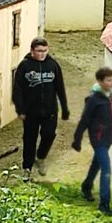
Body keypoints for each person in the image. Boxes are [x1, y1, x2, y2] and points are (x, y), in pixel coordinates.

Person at [72, 67, 112, 215]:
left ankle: (86, 186)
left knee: (97, 163)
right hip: (97, 138)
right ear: (100, 81)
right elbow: (84, 120)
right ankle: (104, 204)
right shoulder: (93, 99)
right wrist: (77, 139)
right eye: (108, 80)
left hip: (109, 137)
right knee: (106, 169)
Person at [12, 38, 69, 180]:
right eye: (39, 51)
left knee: (49, 134)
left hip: (50, 110)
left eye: (45, 51)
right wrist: (20, 110)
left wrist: (65, 107)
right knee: (29, 140)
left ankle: (41, 156)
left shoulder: (53, 65)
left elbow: (60, 88)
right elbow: (17, 90)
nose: (42, 54)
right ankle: (27, 168)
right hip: (31, 111)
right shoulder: (24, 66)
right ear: (32, 51)